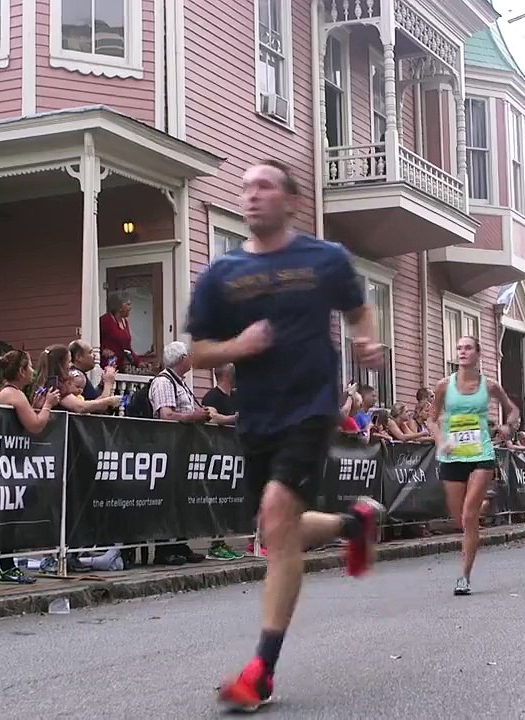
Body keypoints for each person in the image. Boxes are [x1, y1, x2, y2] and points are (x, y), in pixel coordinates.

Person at [187, 159, 385, 712]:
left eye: (265, 186)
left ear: (291, 201)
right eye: (246, 187)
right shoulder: (220, 275)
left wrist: (366, 342)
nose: (252, 195)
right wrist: (238, 347)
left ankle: (262, 671)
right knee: (279, 532)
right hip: (257, 417)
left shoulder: (323, 259)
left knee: (276, 515)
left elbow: (357, 307)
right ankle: (354, 521)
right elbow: (195, 351)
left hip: (312, 406)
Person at [430, 334, 519, 596]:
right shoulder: (444, 386)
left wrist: (507, 426)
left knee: (469, 517)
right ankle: (482, 504)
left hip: (481, 453)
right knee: (459, 518)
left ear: (478, 354)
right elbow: (431, 419)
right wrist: (440, 440)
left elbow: (512, 410)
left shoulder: (489, 385)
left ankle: (464, 576)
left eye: (468, 348)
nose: (463, 352)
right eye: (459, 348)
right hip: (452, 454)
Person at [0, 350, 61, 583]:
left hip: (13, 463)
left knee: (18, 510)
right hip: (10, 464)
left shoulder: (11, 393)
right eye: (29, 367)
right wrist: (48, 405)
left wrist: (36, 405)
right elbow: (35, 425)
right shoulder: (13, 394)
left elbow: (23, 418)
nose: (32, 371)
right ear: (20, 371)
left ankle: (7, 561)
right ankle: (6, 564)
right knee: (11, 516)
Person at [99, 291, 138, 369]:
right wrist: (102, 350)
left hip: (121, 366)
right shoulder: (105, 320)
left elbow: (127, 348)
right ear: (119, 306)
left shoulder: (125, 322)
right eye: (128, 304)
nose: (130, 307)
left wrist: (138, 362)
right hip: (107, 366)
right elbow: (93, 340)